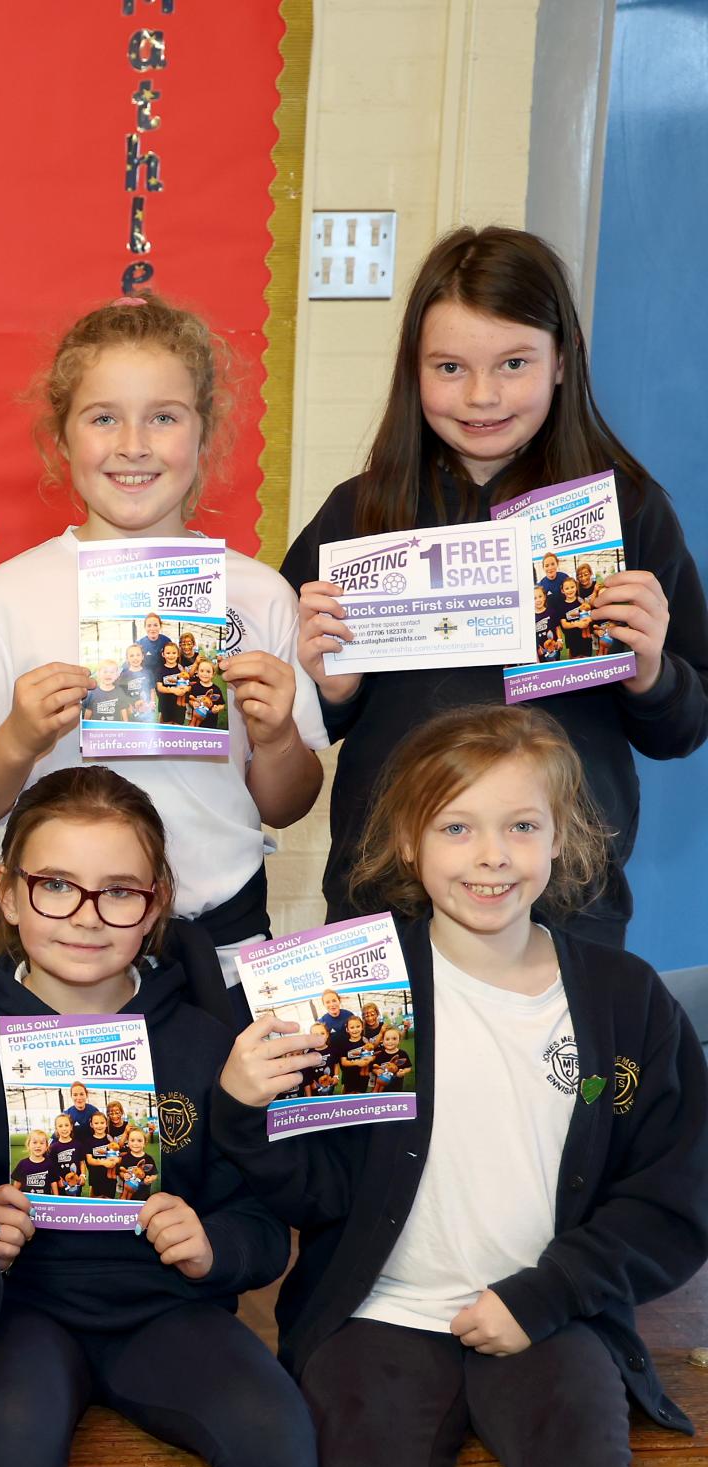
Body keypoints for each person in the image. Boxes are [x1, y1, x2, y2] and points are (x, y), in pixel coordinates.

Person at [213, 704, 708, 1467]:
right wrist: (242, 1109)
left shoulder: (624, 1000)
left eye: (521, 825)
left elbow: (672, 1199)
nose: (491, 856)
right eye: (457, 825)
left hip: (546, 1315)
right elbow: (307, 1189)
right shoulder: (350, 987)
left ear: (563, 839)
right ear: (408, 836)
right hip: (378, 1318)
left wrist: (545, 1296)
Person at [0, 768, 318, 1467]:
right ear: (8, 892)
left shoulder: (209, 1046)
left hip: (166, 1316)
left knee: (280, 1438)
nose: (84, 914)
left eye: (119, 893)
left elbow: (264, 1227)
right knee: (11, 1454)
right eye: (56, 884)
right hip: (19, 1318)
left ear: (156, 906)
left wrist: (210, 1244)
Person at [288, 226, 707, 949]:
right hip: (386, 900)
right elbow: (283, 730)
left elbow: (685, 726)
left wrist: (651, 674)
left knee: (575, 1069)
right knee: (396, 1070)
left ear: (562, 361)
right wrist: (328, 690)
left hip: (565, 899)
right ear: (411, 369)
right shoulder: (358, 513)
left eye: (513, 362)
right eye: (450, 367)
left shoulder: (628, 511)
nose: (482, 396)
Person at [0, 294, 325, 988]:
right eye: (103, 417)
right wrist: (19, 739)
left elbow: (285, 803)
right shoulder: (9, 595)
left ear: (205, 436)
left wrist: (278, 738)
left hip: (221, 940)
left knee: (216, 1101)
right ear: (62, 437)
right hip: (62, 948)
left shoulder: (259, 593)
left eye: (164, 418)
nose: (133, 444)